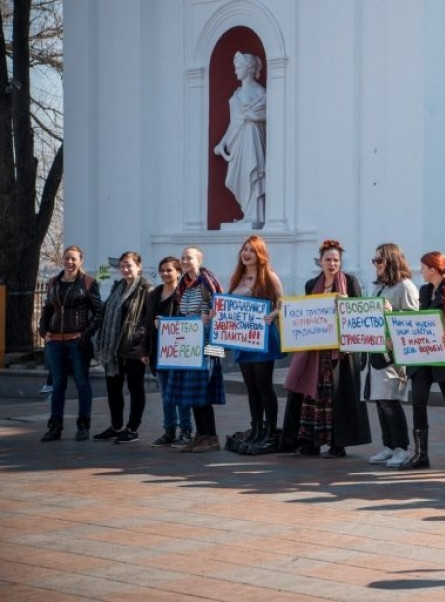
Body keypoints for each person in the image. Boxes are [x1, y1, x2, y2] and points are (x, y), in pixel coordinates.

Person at [283, 239, 371, 457]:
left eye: (336, 260)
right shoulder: (311, 284)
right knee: (312, 395)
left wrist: (346, 303)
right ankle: (311, 441)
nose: (332, 264)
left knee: (336, 397)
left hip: (340, 351)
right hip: (315, 350)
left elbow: (360, 313)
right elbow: (304, 313)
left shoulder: (350, 283)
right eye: (328, 260)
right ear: (320, 261)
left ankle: (337, 443)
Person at [400, 251, 445, 470]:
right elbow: (420, 319)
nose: (420, 271)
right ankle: (421, 454)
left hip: (444, 355)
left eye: (423, 267)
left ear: (432, 269)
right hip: (423, 355)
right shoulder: (424, 290)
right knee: (418, 402)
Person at [225, 235, 285, 455]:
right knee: (250, 387)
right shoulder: (237, 279)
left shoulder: (269, 277)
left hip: (262, 339)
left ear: (260, 254)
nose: (246, 253)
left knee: (264, 385)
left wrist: (272, 315)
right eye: (244, 249)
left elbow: (282, 304)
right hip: (242, 339)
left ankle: (270, 429)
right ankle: (256, 427)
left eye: (251, 250)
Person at [165, 247, 226, 453]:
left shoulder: (206, 281)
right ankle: (200, 436)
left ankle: (211, 438)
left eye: (189, 258)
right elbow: (182, 311)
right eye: (182, 258)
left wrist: (208, 318)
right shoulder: (183, 284)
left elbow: (219, 308)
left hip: (207, 346)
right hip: (188, 345)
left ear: (199, 260)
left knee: (203, 393)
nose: (184, 261)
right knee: (191, 394)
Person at [38, 245, 102, 442]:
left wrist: (84, 335)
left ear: (80, 260)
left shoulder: (89, 283)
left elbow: (98, 312)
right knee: (58, 384)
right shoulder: (53, 283)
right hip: (55, 342)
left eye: (74, 258)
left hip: (77, 342)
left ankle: (83, 425)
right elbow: (47, 310)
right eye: (67, 258)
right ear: (62, 260)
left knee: (82, 383)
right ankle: (55, 427)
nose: (70, 262)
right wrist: (44, 332)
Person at [365, 243, 419, 468]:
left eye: (380, 260)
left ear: (392, 261)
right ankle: (388, 445)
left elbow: (413, 320)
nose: (376, 265)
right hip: (377, 350)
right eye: (374, 261)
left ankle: (401, 447)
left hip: (393, 354)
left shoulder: (405, 286)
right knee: (379, 400)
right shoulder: (379, 287)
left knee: (390, 401)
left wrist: (393, 312)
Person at [93, 252, 152, 444]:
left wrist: (141, 342)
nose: (125, 269)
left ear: (139, 266)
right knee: (113, 389)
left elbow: (148, 319)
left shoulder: (147, 289)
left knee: (135, 388)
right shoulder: (117, 287)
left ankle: (132, 428)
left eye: (129, 265)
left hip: (133, 348)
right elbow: (106, 311)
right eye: (122, 266)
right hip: (113, 349)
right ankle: (116, 425)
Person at [140, 257, 193, 447]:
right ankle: (168, 430)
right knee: (165, 395)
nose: (165, 273)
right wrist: (145, 350)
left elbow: (190, 321)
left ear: (178, 272)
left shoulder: (185, 294)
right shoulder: (154, 294)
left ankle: (186, 430)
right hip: (158, 350)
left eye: (169, 270)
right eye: (162, 270)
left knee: (180, 393)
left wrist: (169, 322)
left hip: (179, 351)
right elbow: (147, 324)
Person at [213, 52, 266, 228]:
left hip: (252, 137)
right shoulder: (236, 95)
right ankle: (247, 213)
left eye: (239, 67)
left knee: (252, 173)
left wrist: (253, 117)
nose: (235, 71)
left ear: (249, 69)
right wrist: (223, 143)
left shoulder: (260, 93)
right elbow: (233, 123)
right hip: (239, 141)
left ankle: (254, 215)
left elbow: (266, 115)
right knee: (240, 178)